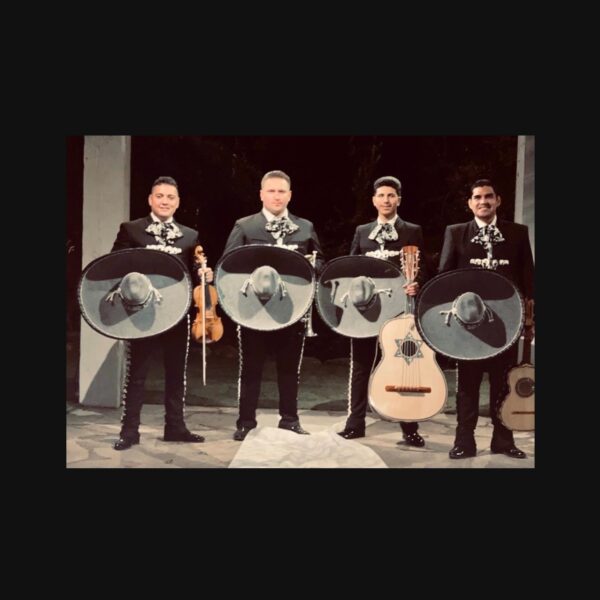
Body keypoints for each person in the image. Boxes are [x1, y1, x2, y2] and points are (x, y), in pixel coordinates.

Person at [111, 176, 213, 451]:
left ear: (177, 203)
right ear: (150, 199)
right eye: (160, 196)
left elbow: (193, 273)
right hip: (141, 314)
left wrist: (204, 274)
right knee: (138, 373)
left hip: (176, 314)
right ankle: (129, 432)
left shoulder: (190, 236)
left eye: (170, 197)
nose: (165, 201)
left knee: (176, 372)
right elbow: (116, 266)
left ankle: (175, 427)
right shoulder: (132, 230)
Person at [221, 170, 325, 441]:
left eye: (281, 191)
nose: (276, 196)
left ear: (289, 195)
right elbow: (228, 265)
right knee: (250, 369)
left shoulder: (305, 227)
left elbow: (320, 262)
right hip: (253, 311)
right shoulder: (245, 226)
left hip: (292, 311)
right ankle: (245, 422)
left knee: (290, 369)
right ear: (261, 194)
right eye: (271, 191)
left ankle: (290, 420)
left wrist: (316, 267)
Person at [439, 178, 534, 459]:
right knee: (467, 386)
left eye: (488, 196)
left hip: (506, 325)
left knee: (503, 384)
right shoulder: (456, 233)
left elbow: (528, 277)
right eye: (477, 197)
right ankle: (464, 442)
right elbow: (444, 278)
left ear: (498, 200)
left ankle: (503, 441)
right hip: (467, 328)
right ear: (470, 203)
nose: (483, 202)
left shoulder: (517, 233)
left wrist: (530, 314)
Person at [337, 176, 427, 447]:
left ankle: (409, 428)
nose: (386, 200)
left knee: (403, 364)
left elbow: (424, 265)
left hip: (399, 310)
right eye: (381, 195)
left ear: (399, 199)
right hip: (366, 310)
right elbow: (351, 267)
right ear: (374, 200)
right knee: (361, 366)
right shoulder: (362, 231)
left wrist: (417, 284)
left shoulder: (412, 230)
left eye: (391, 195)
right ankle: (355, 424)